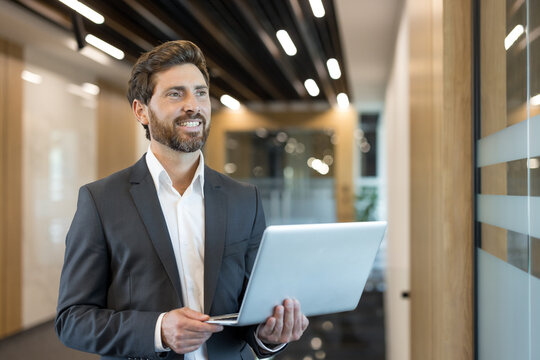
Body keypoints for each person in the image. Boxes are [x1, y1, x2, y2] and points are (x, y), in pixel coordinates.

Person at [55, 40, 308, 360]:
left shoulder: (245, 199)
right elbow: (72, 320)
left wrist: (269, 336)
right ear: (141, 111)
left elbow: (252, 309)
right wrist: (158, 330)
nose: (194, 105)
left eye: (200, 93)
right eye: (176, 93)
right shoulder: (100, 201)